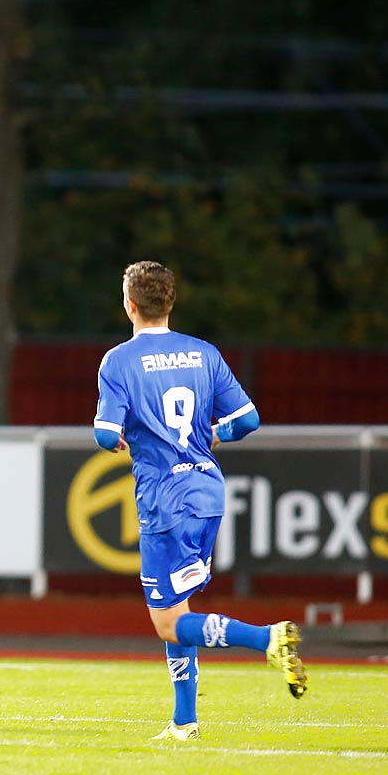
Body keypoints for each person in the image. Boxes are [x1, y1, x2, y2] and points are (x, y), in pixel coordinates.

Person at [92, 260, 306, 743]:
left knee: (169, 624)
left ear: (129, 304)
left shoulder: (119, 360)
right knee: (180, 606)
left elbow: (105, 433)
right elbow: (248, 420)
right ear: (170, 302)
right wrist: (216, 432)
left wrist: (118, 438)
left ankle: (267, 638)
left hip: (164, 500)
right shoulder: (204, 353)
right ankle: (185, 721)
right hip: (208, 490)